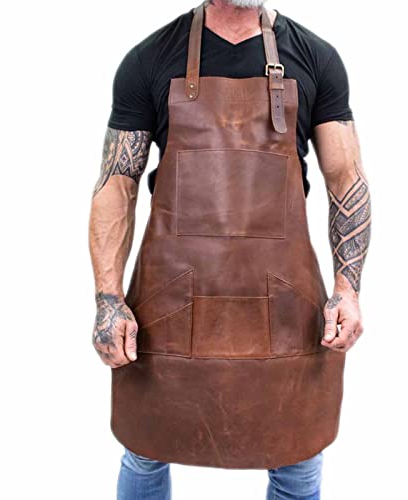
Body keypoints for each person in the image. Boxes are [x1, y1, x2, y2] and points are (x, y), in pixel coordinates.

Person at [88, 0, 371, 498]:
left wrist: (348, 290)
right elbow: (117, 183)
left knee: (297, 456)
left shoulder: (317, 59)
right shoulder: (149, 59)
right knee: (146, 446)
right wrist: (108, 299)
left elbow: (346, 180)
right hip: (169, 301)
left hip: (286, 301)